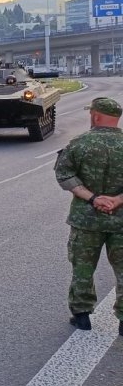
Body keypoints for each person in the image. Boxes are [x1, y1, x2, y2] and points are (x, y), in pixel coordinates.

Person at [55, 97, 123, 333]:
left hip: (86, 220)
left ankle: (82, 315)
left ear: (95, 115)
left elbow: (64, 175)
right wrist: (117, 200)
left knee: (82, 268)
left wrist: (93, 198)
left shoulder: (79, 143)